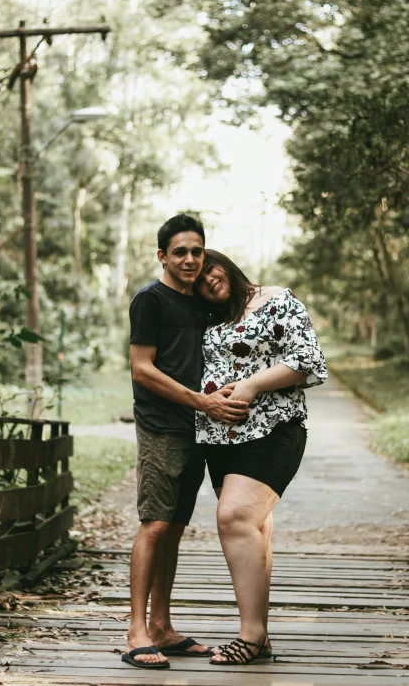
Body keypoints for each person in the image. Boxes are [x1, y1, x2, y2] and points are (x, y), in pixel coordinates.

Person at [122, 216, 249, 670]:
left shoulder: (203, 303)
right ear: (162, 256)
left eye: (197, 251)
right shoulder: (150, 301)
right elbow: (142, 368)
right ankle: (136, 630)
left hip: (200, 431)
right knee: (154, 526)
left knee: (174, 529)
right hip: (162, 427)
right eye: (180, 252)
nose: (191, 260)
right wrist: (202, 402)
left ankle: (162, 627)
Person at [195, 249, 327, 666]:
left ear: (225, 262)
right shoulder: (207, 317)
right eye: (197, 279)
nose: (207, 280)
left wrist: (251, 385)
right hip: (221, 437)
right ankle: (260, 637)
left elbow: (308, 361)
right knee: (254, 528)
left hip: (274, 428)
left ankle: (250, 636)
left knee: (234, 518)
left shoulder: (276, 300)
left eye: (209, 267)